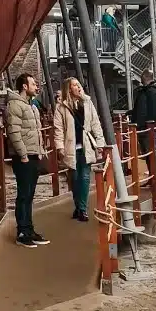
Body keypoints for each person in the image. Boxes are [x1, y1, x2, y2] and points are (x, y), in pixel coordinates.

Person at [52, 76, 104, 225]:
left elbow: (95, 123)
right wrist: (60, 146)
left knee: (85, 177)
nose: (78, 87)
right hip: (71, 146)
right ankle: (78, 206)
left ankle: (82, 209)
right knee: (74, 178)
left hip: (86, 145)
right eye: (74, 85)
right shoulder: (62, 107)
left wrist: (100, 142)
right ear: (69, 89)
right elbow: (59, 128)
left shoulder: (87, 102)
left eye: (79, 84)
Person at [4, 74, 48, 247]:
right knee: (23, 194)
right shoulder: (14, 105)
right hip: (23, 157)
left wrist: (40, 150)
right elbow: (14, 132)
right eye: (33, 83)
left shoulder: (32, 106)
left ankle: (29, 229)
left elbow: (36, 131)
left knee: (29, 195)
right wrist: (22, 154)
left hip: (32, 154)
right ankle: (22, 232)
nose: (36, 86)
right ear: (24, 86)